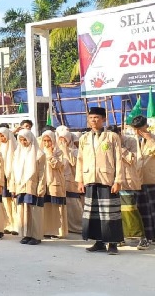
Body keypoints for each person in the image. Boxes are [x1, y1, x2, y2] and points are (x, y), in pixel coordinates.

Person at [76, 107, 124, 255]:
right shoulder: (84, 138)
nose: (93, 120)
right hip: (90, 178)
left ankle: (113, 243)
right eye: (91, 118)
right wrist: (79, 181)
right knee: (94, 213)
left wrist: (118, 180)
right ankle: (99, 242)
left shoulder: (112, 137)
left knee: (110, 213)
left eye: (96, 118)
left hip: (107, 179)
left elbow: (118, 160)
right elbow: (80, 160)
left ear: (103, 119)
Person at [13, 129, 46, 246]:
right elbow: (14, 171)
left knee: (35, 211)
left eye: (25, 139)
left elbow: (42, 173)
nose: (23, 142)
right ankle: (26, 234)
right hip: (21, 186)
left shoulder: (39, 154)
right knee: (23, 211)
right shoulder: (17, 153)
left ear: (30, 139)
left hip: (33, 186)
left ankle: (36, 236)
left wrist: (41, 187)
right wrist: (13, 187)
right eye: (20, 140)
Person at [119, 117, 145, 247]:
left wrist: (121, 148)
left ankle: (141, 237)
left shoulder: (131, 141)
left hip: (128, 181)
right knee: (117, 211)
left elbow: (133, 159)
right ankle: (120, 237)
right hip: (114, 182)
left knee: (131, 209)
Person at [133, 116, 155, 250]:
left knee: (153, 209)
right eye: (136, 129)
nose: (138, 132)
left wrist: (150, 139)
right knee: (143, 210)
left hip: (152, 179)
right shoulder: (134, 140)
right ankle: (147, 236)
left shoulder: (152, 138)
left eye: (140, 129)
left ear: (146, 127)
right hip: (138, 180)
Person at [41, 131, 67, 239]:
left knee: (56, 206)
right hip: (44, 181)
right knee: (46, 206)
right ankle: (47, 229)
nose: (47, 143)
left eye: (49, 141)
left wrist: (51, 155)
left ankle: (57, 230)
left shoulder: (59, 152)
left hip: (55, 182)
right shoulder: (40, 152)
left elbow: (58, 165)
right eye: (45, 141)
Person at [57, 129, 83, 234]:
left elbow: (74, 163)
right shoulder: (56, 151)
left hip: (71, 182)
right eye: (60, 139)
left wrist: (66, 151)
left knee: (74, 205)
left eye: (64, 139)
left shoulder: (75, 151)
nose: (62, 142)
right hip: (60, 181)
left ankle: (79, 226)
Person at [0, 127, 19, 236]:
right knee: (5, 201)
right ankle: (8, 224)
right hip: (2, 177)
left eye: (3, 136)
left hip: (13, 177)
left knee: (14, 202)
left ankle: (17, 225)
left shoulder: (14, 146)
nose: (1, 138)